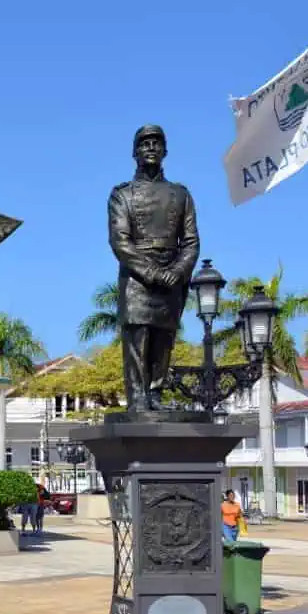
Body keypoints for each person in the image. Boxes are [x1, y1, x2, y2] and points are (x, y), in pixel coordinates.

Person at [107, 124, 199, 412]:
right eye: (145, 144)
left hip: (172, 277)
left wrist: (180, 270)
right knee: (138, 339)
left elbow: (192, 241)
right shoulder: (122, 194)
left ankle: (155, 394)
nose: (151, 148)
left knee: (163, 341)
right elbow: (120, 241)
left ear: (165, 151)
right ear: (135, 152)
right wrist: (152, 273)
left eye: (156, 143)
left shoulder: (180, 194)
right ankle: (137, 400)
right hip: (137, 278)